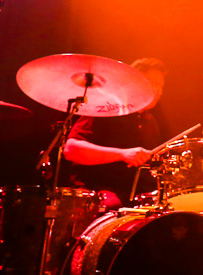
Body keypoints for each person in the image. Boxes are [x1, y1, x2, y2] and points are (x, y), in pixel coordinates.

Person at [63, 57, 169, 210]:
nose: (158, 90)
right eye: (153, 83)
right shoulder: (107, 109)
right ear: (133, 82)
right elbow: (71, 149)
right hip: (98, 192)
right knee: (114, 206)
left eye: (161, 86)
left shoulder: (150, 121)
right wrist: (123, 154)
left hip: (135, 196)